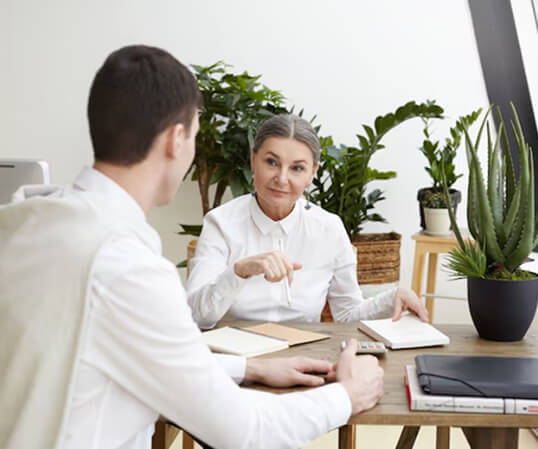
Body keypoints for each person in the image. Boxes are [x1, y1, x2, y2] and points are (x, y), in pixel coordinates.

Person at [0, 45, 384, 449]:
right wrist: (348, 394)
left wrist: (248, 368)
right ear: (176, 139)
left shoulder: (23, 224)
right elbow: (246, 432)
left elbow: (149, 356)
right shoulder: (128, 267)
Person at [187, 114, 428, 329]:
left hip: (305, 354)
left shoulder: (329, 228)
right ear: (253, 160)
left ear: (312, 173)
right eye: (271, 162)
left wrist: (393, 297)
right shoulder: (221, 223)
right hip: (237, 355)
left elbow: (347, 314)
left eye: (297, 168)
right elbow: (196, 316)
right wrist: (239, 271)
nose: (282, 178)